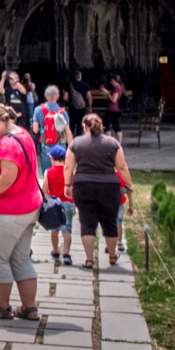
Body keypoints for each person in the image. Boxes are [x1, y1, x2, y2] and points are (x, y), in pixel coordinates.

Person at [0, 100, 41, 321]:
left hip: (8, 210)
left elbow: (7, 178)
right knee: (21, 258)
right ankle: (29, 308)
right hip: (29, 207)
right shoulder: (22, 134)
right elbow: (15, 166)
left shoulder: (7, 143)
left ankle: (1, 307)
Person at [64, 113, 132, 270]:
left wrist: (67, 184)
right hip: (109, 187)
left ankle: (89, 260)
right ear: (102, 126)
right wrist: (128, 183)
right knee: (110, 223)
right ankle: (112, 256)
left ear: (84, 127)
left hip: (83, 186)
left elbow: (68, 166)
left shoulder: (76, 143)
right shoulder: (113, 143)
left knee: (87, 223)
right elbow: (121, 166)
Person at [43, 152, 74, 266]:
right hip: (69, 203)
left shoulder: (49, 172)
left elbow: (44, 191)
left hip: (55, 204)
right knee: (67, 230)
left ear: (52, 158)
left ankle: (55, 251)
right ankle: (66, 254)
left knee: (54, 229)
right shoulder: (70, 173)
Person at [35, 85, 72, 173]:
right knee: (59, 172)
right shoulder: (62, 111)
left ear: (45, 96)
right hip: (60, 144)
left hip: (45, 144)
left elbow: (35, 129)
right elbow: (68, 132)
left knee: (47, 172)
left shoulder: (38, 110)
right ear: (58, 97)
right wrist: (71, 148)